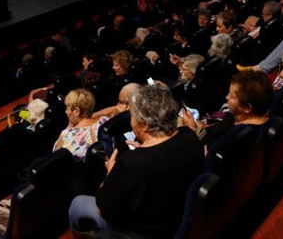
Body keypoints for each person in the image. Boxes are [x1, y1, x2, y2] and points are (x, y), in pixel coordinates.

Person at [68, 85, 204, 238]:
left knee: (78, 204)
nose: (131, 122)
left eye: (132, 116)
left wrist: (111, 173)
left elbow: (103, 208)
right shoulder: (190, 136)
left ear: (145, 124)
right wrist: (144, 149)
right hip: (181, 220)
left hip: (148, 232)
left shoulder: (130, 164)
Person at [53, 89, 108, 160]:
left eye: (67, 109)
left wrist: (69, 127)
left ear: (77, 111)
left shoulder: (66, 135)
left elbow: (55, 158)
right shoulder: (104, 120)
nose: (66, 112)